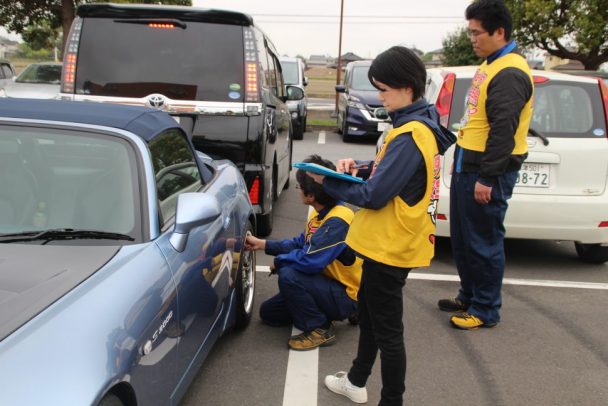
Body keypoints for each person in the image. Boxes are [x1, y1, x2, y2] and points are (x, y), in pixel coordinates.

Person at [308, 46, 455, 405]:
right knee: (372, 318)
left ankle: (392, 399)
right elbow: (391, 173)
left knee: (388, 330)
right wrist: (358, 166)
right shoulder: (417, 126)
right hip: (394, 242)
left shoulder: (410, 133)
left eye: (384, 89)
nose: (379, 96)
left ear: (407, 88)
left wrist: (326, 181)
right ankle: (357, 380)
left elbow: (375, 195)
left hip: (391, 246)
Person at [438, 0, 534, 330]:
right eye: (470, 32)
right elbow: (475, 122)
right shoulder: (491, 63)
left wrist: (488, 178)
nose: (472, 39)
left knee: (484, 241)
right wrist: (461, 161)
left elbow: (503, 129)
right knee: (464, 239)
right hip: (470, 165)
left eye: (477, 33)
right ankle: (469, 295)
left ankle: (485, 309)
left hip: (486, 172)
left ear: (499, 32)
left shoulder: (509, 71)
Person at [245, 154, 362, 351]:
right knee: (269, 313)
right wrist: (262, 244)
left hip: (346, 294)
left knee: (289, 274)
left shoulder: (338, 220)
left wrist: (280, 262)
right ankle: (325, 313)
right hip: (328, 284)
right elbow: (300, 243)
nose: (298, 190)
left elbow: (311, 261)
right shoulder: (322, 214)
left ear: (311, 196)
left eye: (299, 187)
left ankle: (320, 328)